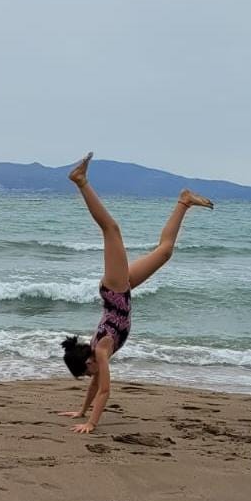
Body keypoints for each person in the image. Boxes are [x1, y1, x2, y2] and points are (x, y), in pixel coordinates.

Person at [59, 152, 212, 433]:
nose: (90, 376)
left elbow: (104, 390)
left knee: (111, 229)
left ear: (89, 361)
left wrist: (91, 423)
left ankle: (80, 181)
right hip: (122, 290)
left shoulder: (100, 352)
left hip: (115, 289)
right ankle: (184, 201)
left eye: (87, 372)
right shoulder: (96, 354)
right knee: (164, 252)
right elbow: (97, 384)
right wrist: (81, 411)